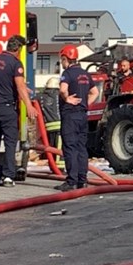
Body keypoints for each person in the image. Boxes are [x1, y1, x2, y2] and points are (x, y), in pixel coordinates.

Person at [0, 35, 38, 187]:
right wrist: (29, 106)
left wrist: (20, 87)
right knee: (10, 143)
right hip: (7, 109)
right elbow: (20, 86)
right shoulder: (16, 64)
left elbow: (4, 81)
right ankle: (8, 176)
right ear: (18, 49)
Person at [55, 44, 99, 192]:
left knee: (70, 147)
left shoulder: (67, 74)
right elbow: (95, 92)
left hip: (70, 115)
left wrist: (67, 99)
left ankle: (71, 181)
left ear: (65, 58)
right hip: (82, 115)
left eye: (62, 60)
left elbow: (62, 90)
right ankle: (82, 180)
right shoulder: (85, 74)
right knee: (81, 148)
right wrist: (85, 104)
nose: (62, 63)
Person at [37, 77, 62, 153]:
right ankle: (60, 164)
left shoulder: (40, 97)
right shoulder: (60, 95)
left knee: (50, 149)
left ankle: (53, 163)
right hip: (61, 127)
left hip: (48, 128)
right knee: (59, 150)